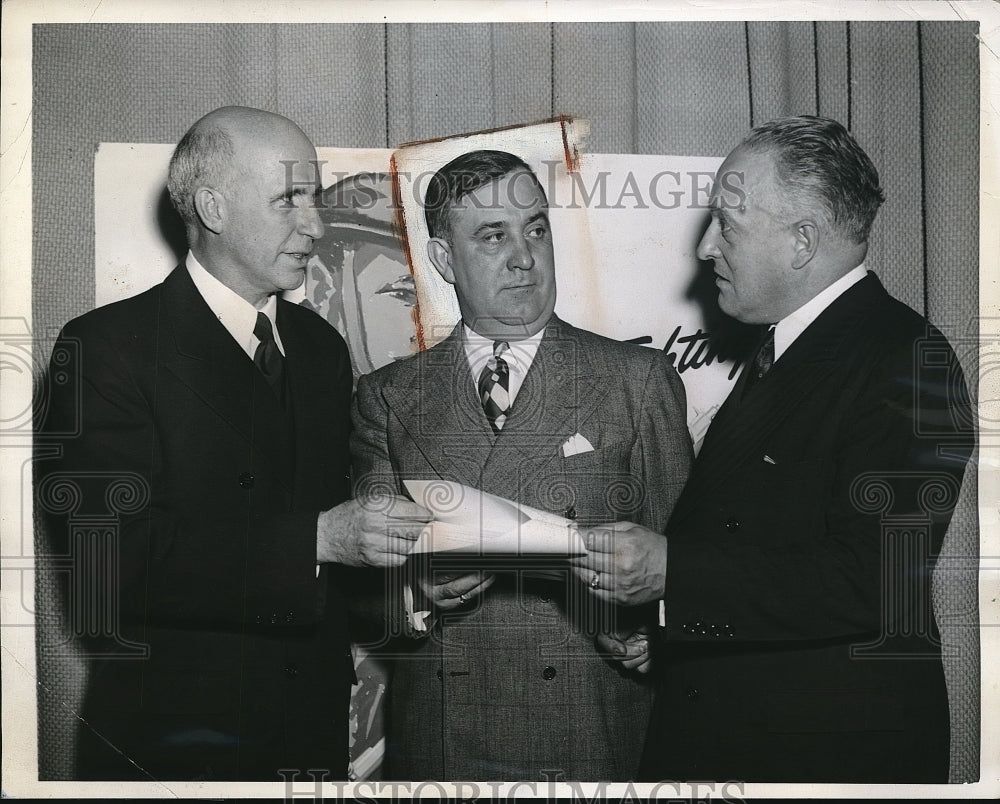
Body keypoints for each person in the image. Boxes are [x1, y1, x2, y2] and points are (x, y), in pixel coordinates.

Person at [571, 116, 976, 783]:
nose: (704, 248)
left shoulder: (908, 360)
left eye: (727, 224)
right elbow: (769, 540)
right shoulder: (794, 348)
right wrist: (670, 627)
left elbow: (875, 580)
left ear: (802, 242)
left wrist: (676, 575)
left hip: (821, 760)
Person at [35, 106, 429, 781]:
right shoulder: (105, 348)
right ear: (213, 207)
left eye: (316, 198)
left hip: (308, 731)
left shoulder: (316, 348)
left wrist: (414, 584)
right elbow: (108, 567)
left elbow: (337, 554)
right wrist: (318, 541)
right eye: (289, 200)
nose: (315, 224)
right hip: (177, 739)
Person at [350, 149, 692, 780]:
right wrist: (413, 593)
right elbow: (360, 593)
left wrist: (655, 638)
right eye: (493, 236)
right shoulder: (389, 398)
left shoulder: (636, 381)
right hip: (444, 747)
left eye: (536, 229)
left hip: (591, 737)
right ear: (445, 260)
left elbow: (693, 566)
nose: (524, 257)